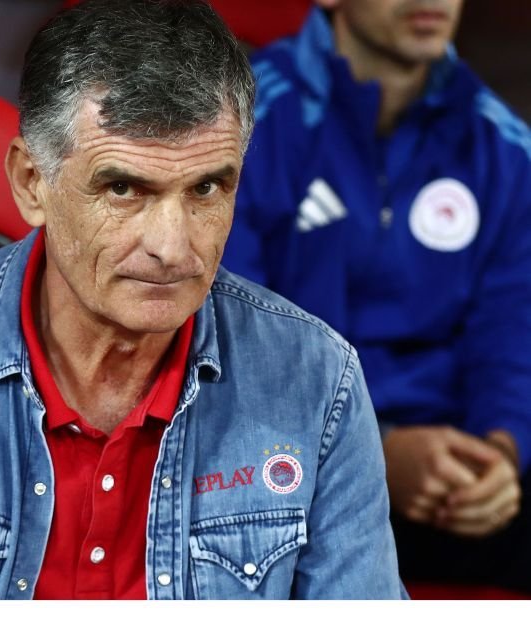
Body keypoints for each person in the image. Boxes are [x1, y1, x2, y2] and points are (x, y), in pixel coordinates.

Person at [0, 0, 404, 599]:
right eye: (124, 189)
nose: (172, 247)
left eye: (207, 189)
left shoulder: (317, 378)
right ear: (32, 183)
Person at [221, 0, 531, 592]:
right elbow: (230, 343)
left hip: (451, 466)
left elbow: (513, 331)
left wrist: (500, 453)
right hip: (291, 460)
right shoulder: (241, 126)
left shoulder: (505, 147)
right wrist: (377, 453)